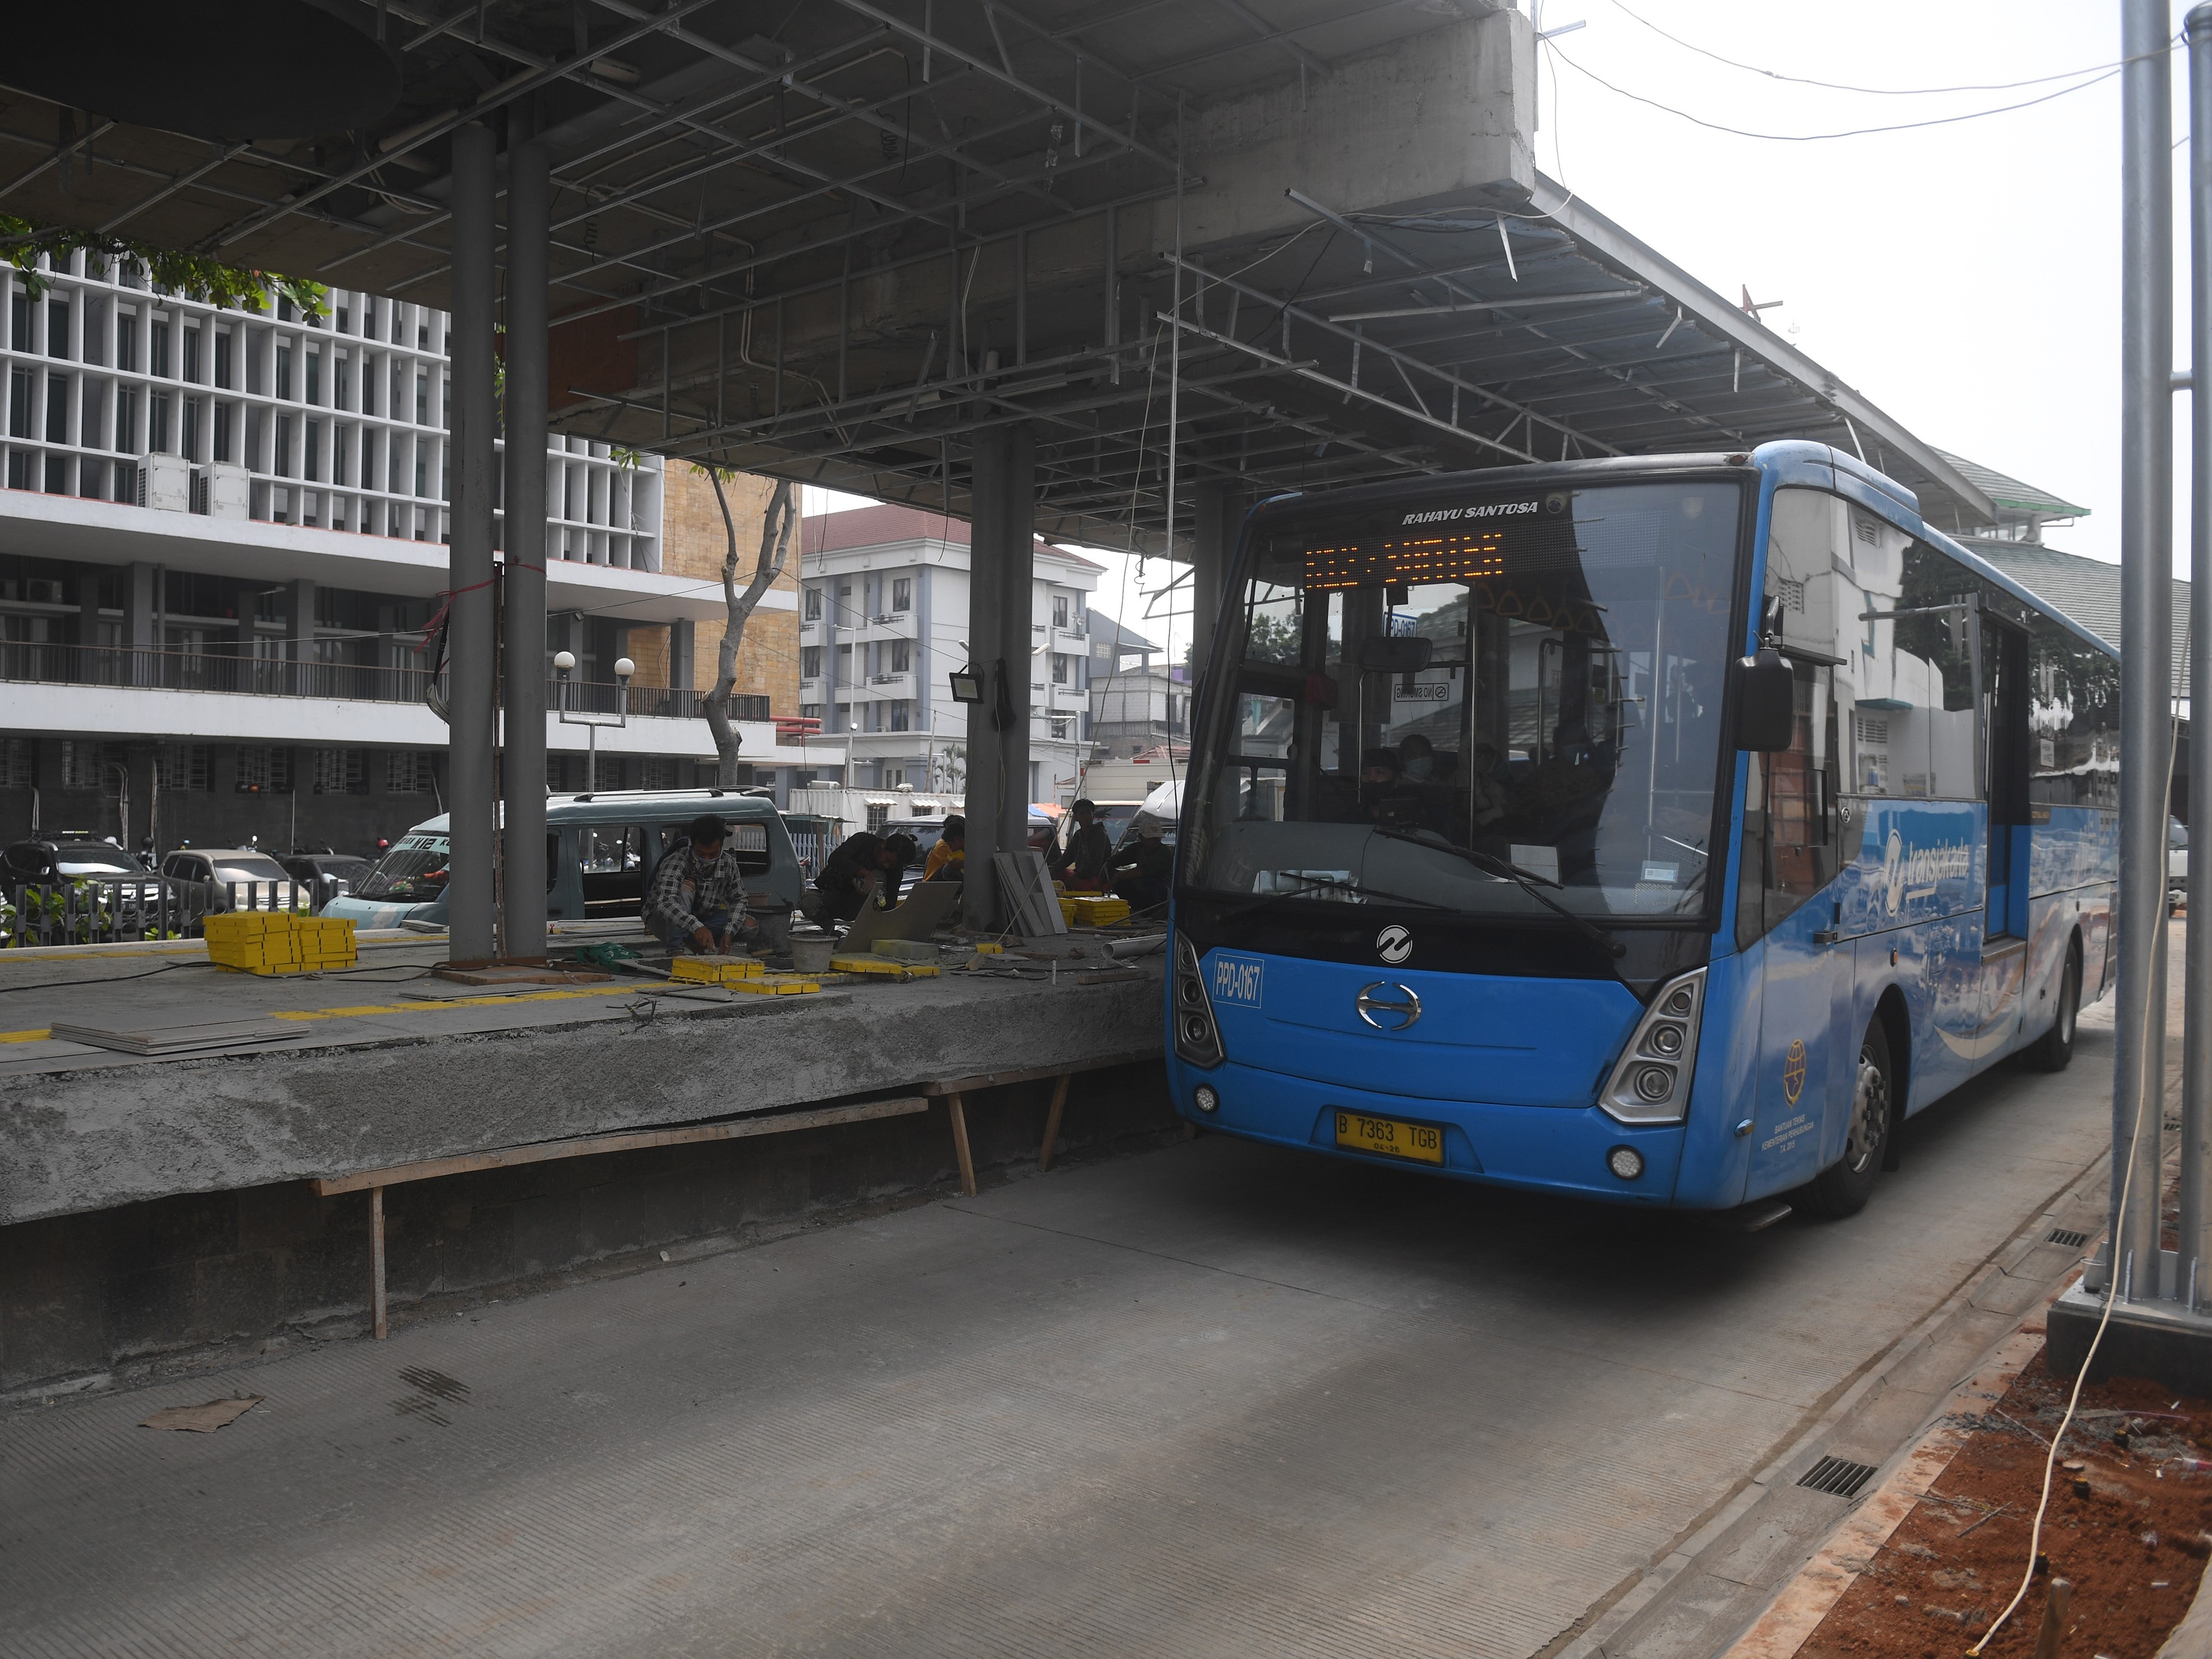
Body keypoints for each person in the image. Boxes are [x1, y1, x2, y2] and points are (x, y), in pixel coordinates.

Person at [644, 813, 761, 956]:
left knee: (750, 926)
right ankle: (675, 949)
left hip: (704, 918)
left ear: (721, 847)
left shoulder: (728, 864)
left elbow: (740, 899)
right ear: (692, 845)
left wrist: (728, 933)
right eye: (701, 854)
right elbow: (666, 903)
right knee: (687, 886)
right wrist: (696, 927)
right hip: (663, 921)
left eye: (713, 855)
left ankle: (696, 942)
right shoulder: (676, 861)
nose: (706, 859)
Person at [814, 830, 919, 923]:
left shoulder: (895, 871)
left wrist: (879, 907)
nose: (887, 866)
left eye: (892, 865)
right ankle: (828, 927)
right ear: (883, 845)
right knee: (809, 902)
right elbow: (836, 858)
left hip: (857, 908)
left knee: (879, 877)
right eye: (887, 860)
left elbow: (890, 902)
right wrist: (865, 873)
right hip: (832, 895)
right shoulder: (863, 841)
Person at [1108, 819, 1173, 913]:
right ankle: (1135, 907)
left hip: (1166, 892)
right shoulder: (1137, 849)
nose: (1154, 842)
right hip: (1147, 888)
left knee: (1142, 882)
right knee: (1119, 878)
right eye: (1150, 839)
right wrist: (1099, 887)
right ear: (1141, 838)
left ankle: (1154, 911)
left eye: (1157, 838)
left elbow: (1142, 872)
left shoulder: (1165, 853)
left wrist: (1118, 876)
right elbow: (1110, 863)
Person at [1051, 799, 1113, 891]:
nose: (1086, 817)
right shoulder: (1078, 835)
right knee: (1061, 873)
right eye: (1082, 814)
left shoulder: (1100, 835)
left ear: (1093, 815)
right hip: (1081, 876)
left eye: (1088, 813)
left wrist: (1077, 876)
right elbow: (1067, 858)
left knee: (1074, 882)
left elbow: (1095, 864)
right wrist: (1052, 869)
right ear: (1076, 818)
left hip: (1098, 878)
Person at [924, 816, 965, 881]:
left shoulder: (971, 846)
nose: (952, 849)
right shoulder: (942, 846)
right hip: (933, 883)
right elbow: (956, 864)